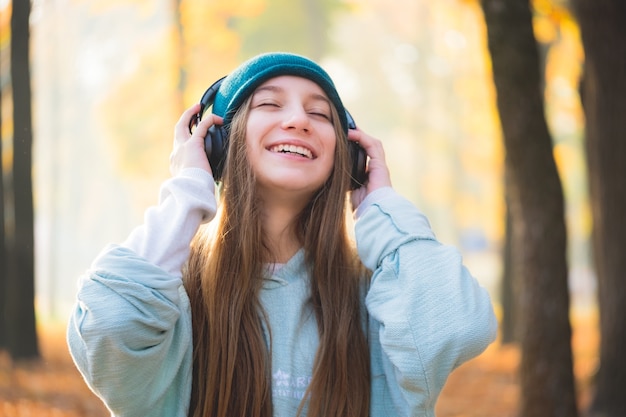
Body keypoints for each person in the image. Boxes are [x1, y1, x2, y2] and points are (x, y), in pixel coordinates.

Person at [67, 52, 497, 417]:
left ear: (348, 158)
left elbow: (457, 327)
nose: (298, 120)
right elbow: (109, 327)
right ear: (219, 144)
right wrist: (188, 190)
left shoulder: (381, 303)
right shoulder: (169, 299)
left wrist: (379, 204)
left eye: (319, 113)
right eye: (270, 105)